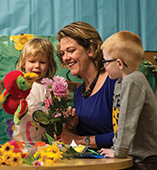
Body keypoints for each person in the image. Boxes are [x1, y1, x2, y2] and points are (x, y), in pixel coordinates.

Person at [99, 31, 157, 169]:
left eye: (105, 62)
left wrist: (118, 152)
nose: (104, 66)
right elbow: (117, 120)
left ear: (119, 63)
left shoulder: (133, 81)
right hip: (132, 156)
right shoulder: (120, 83)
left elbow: (126, 120)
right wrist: (115, 148)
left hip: (146, 159)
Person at [56, 21, 117, 149]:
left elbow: (126, 135)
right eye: (62, 54)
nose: (65, 58)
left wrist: (79, 139)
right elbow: (88, 138)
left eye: (71, 51)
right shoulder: (79, 93)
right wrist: (71, 129)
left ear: (91, 49)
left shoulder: (113, 81)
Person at [12, 37, 57, 145]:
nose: (37, 66)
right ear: (23, 63)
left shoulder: (53, 86)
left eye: (42, 62)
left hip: (47, 144)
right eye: (32, 61)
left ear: (49, 65)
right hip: (21, 142)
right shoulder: (20, 86)